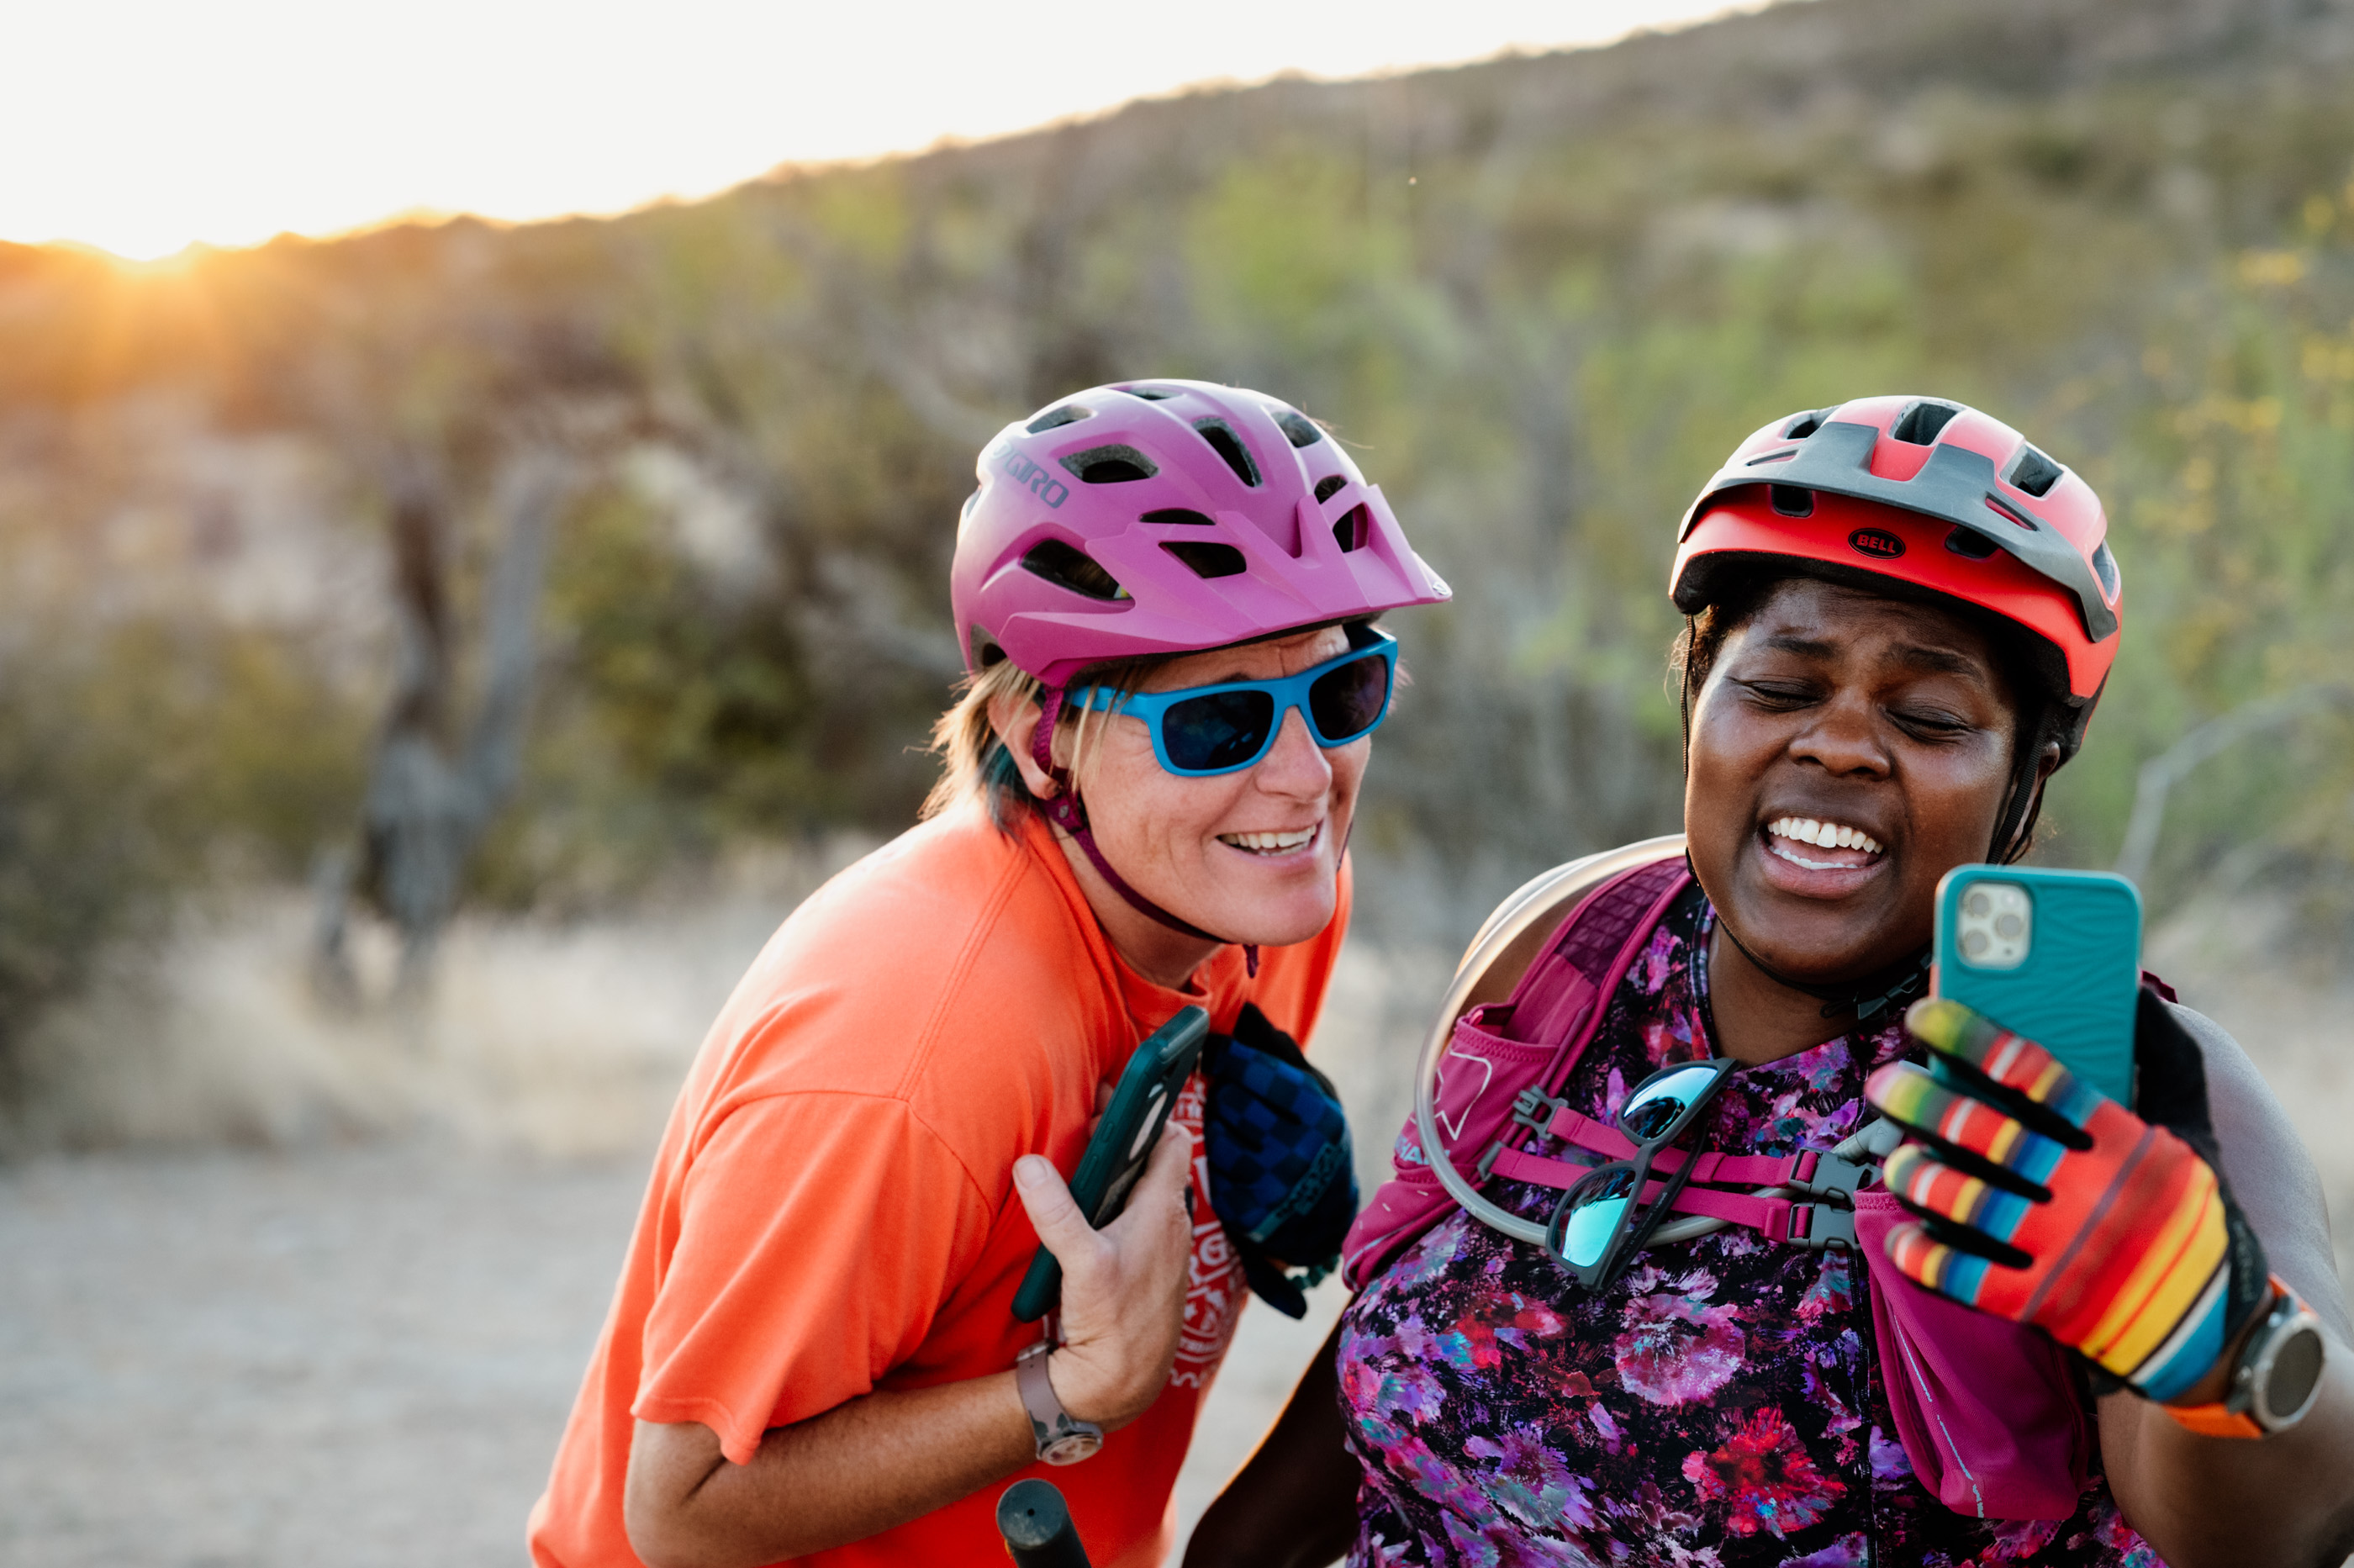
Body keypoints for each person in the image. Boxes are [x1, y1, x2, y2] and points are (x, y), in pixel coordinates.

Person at [1190, 396, 2354, 1567]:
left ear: (2030, 769)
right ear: (1697, 690)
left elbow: (2286, 1526)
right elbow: (1388, 1375)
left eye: (1930, 714)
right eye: (1784, 688)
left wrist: (2198, 1324)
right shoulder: (1570, 950)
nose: (1840, 743)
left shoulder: (2124, 1079)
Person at [525, 378, 1450, 1568]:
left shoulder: (1267, 894)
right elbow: (682, 1510)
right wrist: (1072, 1388)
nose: (1302, 776)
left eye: (1341, 690)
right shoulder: (913, 1052)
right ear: (1041, 737)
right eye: (1216, 724)